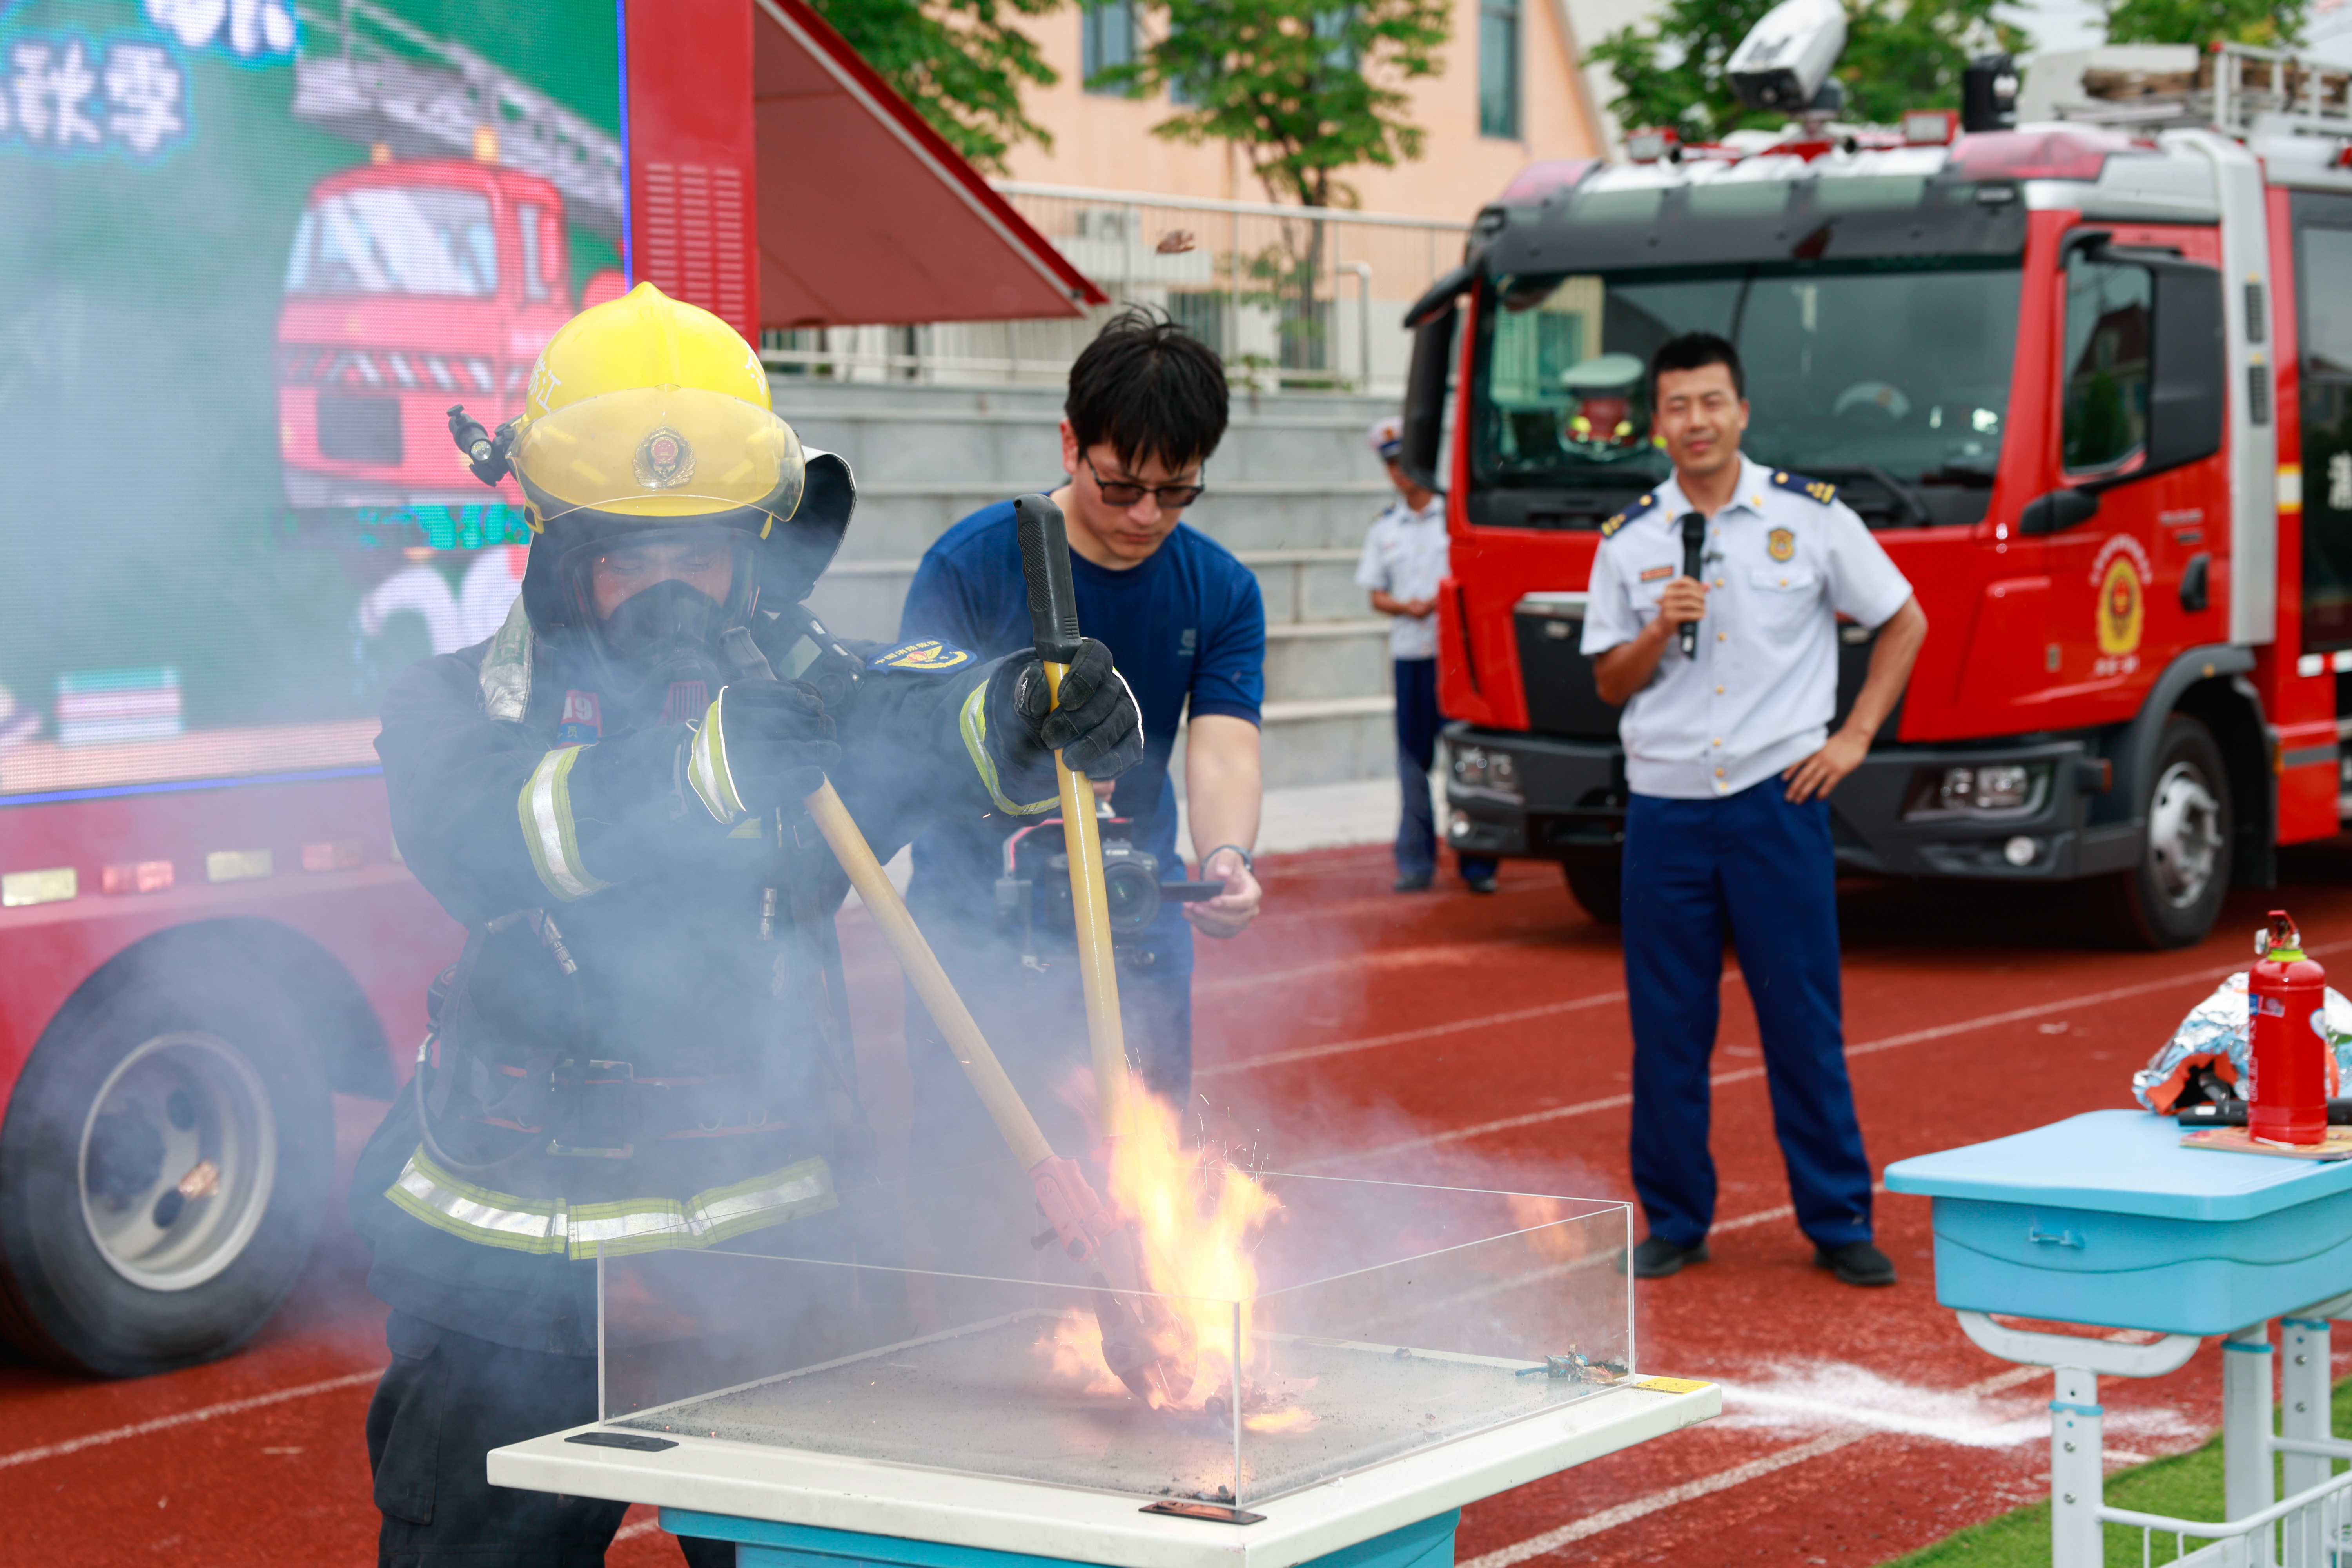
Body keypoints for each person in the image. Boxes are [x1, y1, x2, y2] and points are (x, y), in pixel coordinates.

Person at [351, 282, 1143, 1566]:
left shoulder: (802, 687)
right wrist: (689, 769)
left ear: (756, 550)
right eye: (630, 558)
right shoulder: (458, 704)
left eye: (702, 554)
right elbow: (482, 840)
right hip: (515, 1275)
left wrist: (1020, 714)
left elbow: (907, 719)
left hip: (782, 1247)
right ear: (561, 555)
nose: (671, 592)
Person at [894, 309, 1265, 1259]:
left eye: (1176, 492)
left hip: (1136, 924)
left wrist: (1225, 856)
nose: (1146, 515)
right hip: (975, 920)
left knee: (1143, 1172)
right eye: (1121, 485)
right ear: (1071, 443)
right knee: (973, 1179)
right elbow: (911, 735)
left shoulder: (1219, 590)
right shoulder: (971, 565)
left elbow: (1222, 745)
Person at [1580, 331, 1928, 1288]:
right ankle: (1677, 1218)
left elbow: (1903, 618)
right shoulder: (1629, 543)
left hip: (1778, 800)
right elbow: (1611, 682)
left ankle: (1837, 1215)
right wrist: (1660, 622)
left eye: (1711, 402)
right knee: (1668, 1025)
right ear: (1656, 424)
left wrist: (1854, 738)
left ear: (1742, 411)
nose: (1695, 421)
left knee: (1801, 1015)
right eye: (1677, 406)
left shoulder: (1808, 519)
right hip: (1668, 811)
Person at [1356, 414, 1499, 894]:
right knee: (1413, 763)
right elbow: (1376, 594)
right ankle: (1416, 862)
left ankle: (1479, 863)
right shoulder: (1385, 528)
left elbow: (1476, 576)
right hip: (1411, 656)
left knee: (1467, 758)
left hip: (1457, 657)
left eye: (1408, 462)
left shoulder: (1455, 518)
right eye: (1393, 465)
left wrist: (1440, 602)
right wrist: (1406, 606)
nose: (1402, 473)